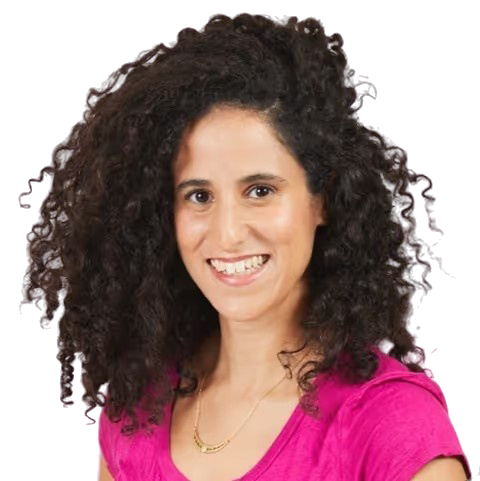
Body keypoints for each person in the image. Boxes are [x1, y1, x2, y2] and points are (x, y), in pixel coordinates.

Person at [21, 13, 471, 481]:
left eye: (260, 190)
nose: (228, 233)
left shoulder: (393, 429)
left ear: (322, 199)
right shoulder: (137, 410)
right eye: (199, 196)